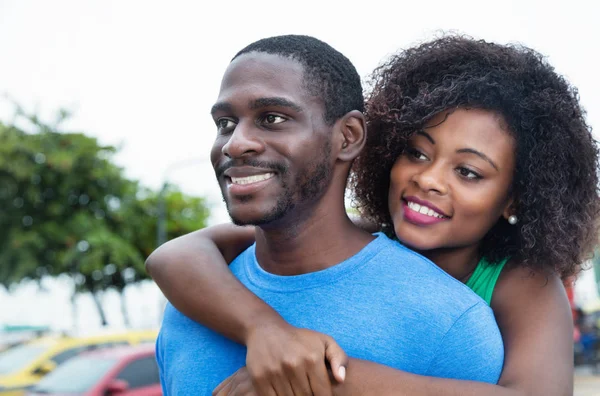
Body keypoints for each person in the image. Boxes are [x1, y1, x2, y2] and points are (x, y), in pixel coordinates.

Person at [151, 35, 600, 396]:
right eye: (416, 153)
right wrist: (268, 333)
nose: (430, 180)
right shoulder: (369, 235)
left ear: (515, 200)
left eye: (468, 171)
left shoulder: (519, 282)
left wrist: (322, 373)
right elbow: (175, 257)